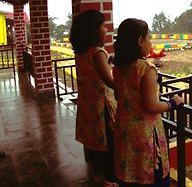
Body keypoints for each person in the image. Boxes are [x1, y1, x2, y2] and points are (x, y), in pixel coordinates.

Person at [113, 18, 184, 186]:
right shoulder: (146, 69)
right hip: (145, 137)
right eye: (149, 37)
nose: (150, 42)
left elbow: (118, 96)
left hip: (124, 132)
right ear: (140, 41)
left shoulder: (118, 68)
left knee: (129, 176)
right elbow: (151, 105)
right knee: (153, 178)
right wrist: (172, 103)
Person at [70, 10, 118, 186]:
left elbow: (93, 74)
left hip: (87, 105)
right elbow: (110, 82)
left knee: (93, 144)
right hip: (101, 108)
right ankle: (109, 180)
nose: (106, 29)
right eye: (103, 25)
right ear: (94, 30)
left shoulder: (81, 52)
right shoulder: (98, 53)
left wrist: (109, 62)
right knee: (108, 144)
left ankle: (97, 176)